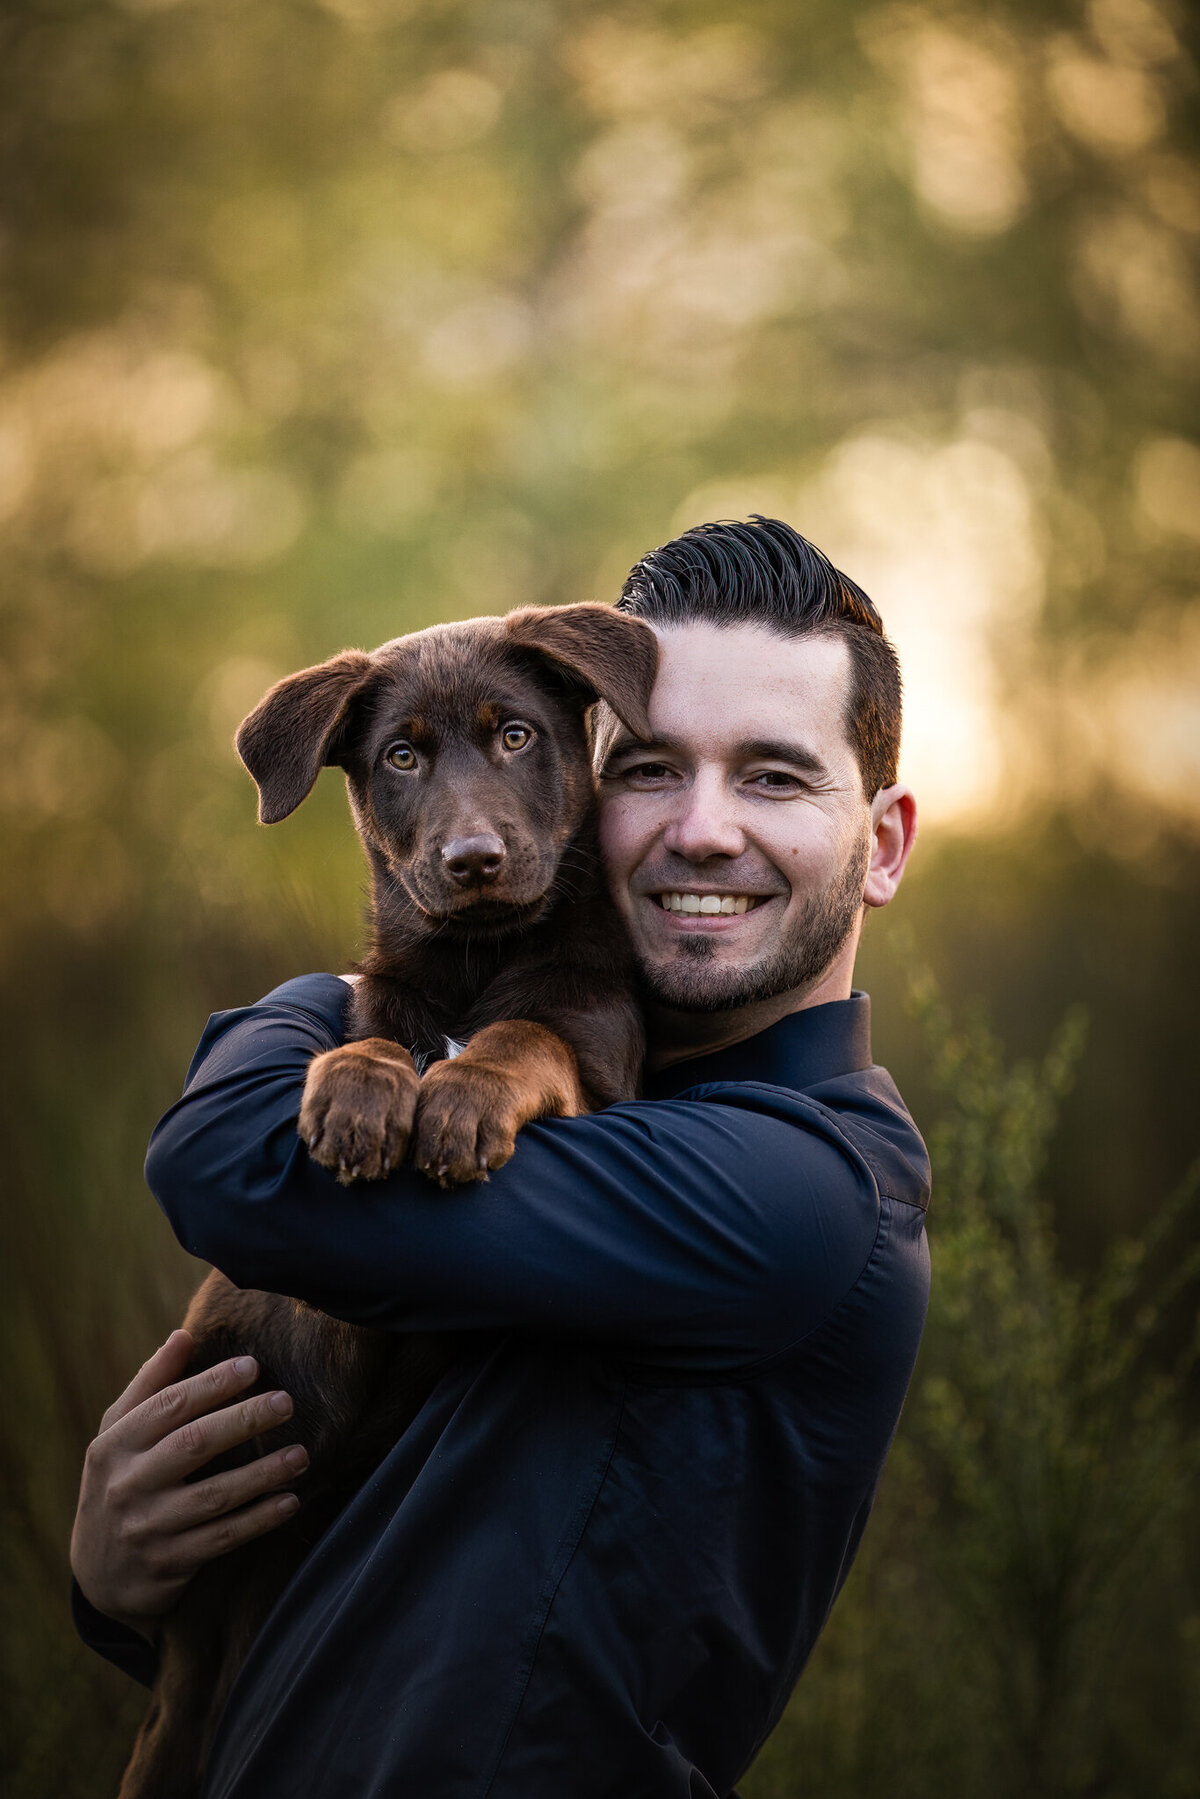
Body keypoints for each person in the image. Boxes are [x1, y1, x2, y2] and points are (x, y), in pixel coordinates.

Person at [71, 517, 928, 1798]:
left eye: (774, 777)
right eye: (647, 769)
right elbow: (382, 1606)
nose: (699, 830)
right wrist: (118, 1581)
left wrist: (344, 1007)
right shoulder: (601, 1074)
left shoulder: (804, 1194)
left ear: (887, 842)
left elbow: (222, 1164)